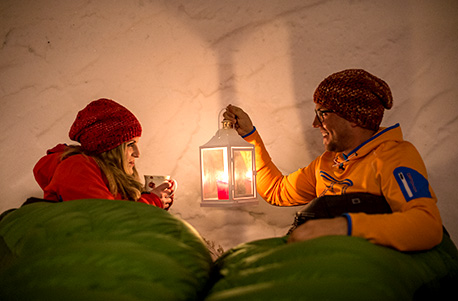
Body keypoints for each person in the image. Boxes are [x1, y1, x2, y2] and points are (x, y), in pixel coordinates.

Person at [224, 69, 443, 251]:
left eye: (323, 114)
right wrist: (251, 136)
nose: (315, 123)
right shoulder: (327, 162)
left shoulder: (394, 157)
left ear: (354, 117)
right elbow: (276, 191)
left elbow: (427, 226)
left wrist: (342, 226)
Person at [33, 98, 174, 210]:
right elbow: (107, 219)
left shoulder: (106, 172)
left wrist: (158, 199)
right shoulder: (76, 167)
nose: (137, 154)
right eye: (130, 145)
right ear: (110, 147)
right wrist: (153, 202)